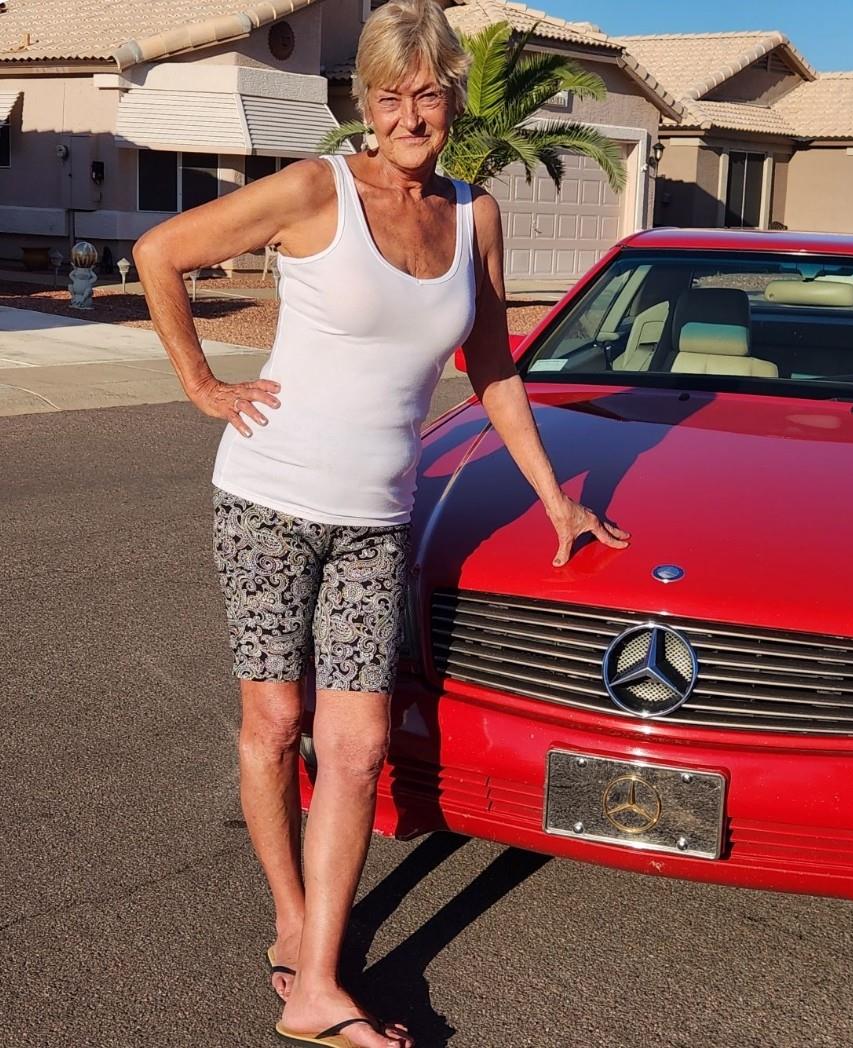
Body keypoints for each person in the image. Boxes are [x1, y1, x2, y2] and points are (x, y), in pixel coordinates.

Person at [133, 0, 630, 1043]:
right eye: (392, 94)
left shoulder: (474, 214)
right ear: (367, 100)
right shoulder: (318, 190)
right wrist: (202, 384)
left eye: (430, 93)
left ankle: (315, 985)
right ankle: (291, 919)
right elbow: (159, 251)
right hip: (268, 500)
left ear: (453, 99)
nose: (413, 114)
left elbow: (489, 365)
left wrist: (553, 496)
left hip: (375, 520)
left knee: (354, 748)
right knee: (275, 725)